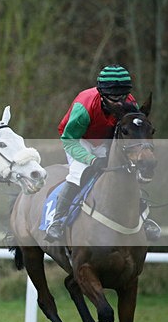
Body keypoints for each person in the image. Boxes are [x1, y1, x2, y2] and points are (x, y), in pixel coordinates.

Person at [45, 64, 161, 242]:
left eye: (122, 96)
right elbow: (69, 139)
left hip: (106, 141)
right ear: (102, 94)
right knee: (78, 173)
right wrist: (91, 160)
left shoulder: (130, 104)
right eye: (113, 98)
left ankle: (144, 219)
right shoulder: (83, 107)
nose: (119, 102)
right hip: (79, 140)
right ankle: (58, 221)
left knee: (126, 171)